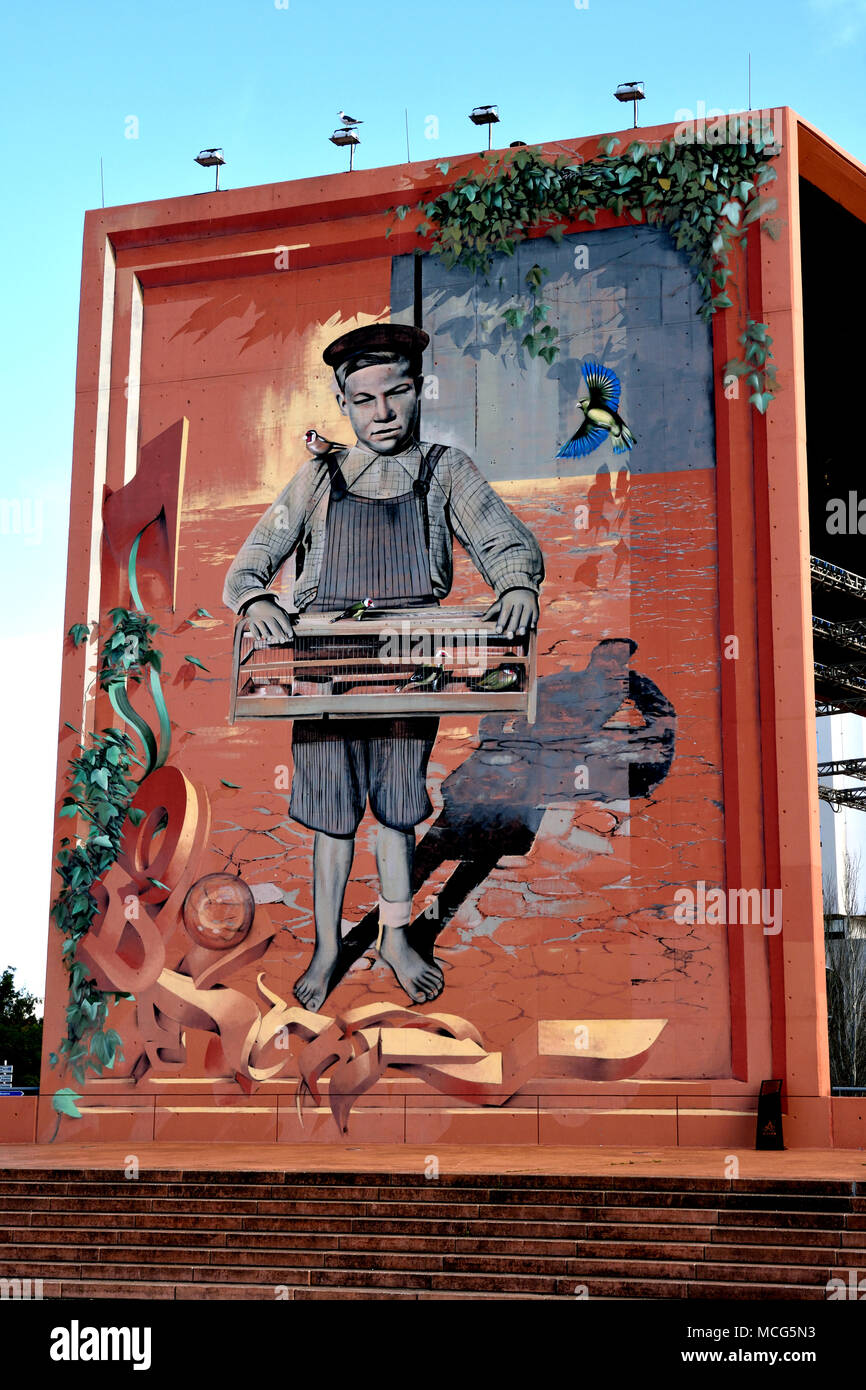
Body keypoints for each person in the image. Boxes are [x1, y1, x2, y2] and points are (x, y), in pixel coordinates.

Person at [223, 323, 543, 1009]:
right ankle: (326, 950)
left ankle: (396, 941)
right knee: (333, 820)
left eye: (397, 393)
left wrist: (516, 582)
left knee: (396, 817)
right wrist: (256, 600)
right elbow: (250, 563)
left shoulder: (444, 470)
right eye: (364, 400)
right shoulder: (318, 477)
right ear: (343, 403)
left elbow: (500, 535)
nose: (384, 413)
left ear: (417, 390)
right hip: (321, 670)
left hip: (409, 664)